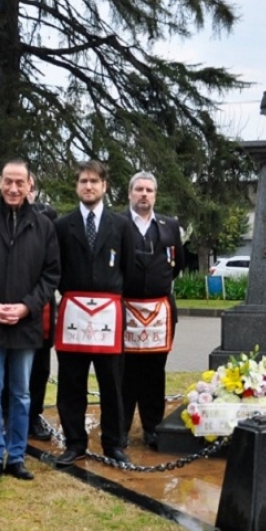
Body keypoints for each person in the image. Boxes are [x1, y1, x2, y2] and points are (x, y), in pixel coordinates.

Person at [0, 160, 60, 480]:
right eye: (8, 182)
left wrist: (27, 307)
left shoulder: (44, 226)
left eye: (20, 182)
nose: (14, 188)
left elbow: (51, 275)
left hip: (26, 324)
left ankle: (16, 456)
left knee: (21, 393)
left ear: (30, 185)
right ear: (0, 183)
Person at [54, 160, 132, 467]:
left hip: (108, 316)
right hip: (74, 314)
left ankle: (114, 443)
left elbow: (127, 268)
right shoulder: (63, 225)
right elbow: (56, 268)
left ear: (104, 186)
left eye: (94, 181)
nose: (88, 186)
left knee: (112, 383)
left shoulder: (120, 225)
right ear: (77, 186)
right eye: (83, 181)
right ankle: (75, 443)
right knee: (71, 383)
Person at [121, 172, 184, 450]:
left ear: (155, 195)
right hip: (125, 310)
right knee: (125, 374)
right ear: (130, 193)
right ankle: (120, 429)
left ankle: (152, 428)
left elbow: (177, 264)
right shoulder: (117, 223)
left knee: (154, 374)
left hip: (160, 312)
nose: (144, 194)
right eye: (139, 189)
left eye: (149, 190)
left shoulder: (170, 226)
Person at [1, 174, 58, 442]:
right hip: (9, 303)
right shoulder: (1, 217)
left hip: (40, 306)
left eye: (28, 186)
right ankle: (6, 416)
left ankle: (33, 415)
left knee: (40, 368)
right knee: (7, 367)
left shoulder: (47, 217)